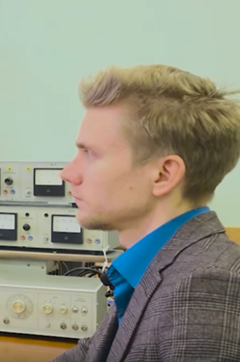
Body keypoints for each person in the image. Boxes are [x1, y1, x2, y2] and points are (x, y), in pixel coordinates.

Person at [52, 65, 240, 361]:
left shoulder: (207, 285)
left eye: (91, 153)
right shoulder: (151, 267)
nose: (68, 173)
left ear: (163, 175)